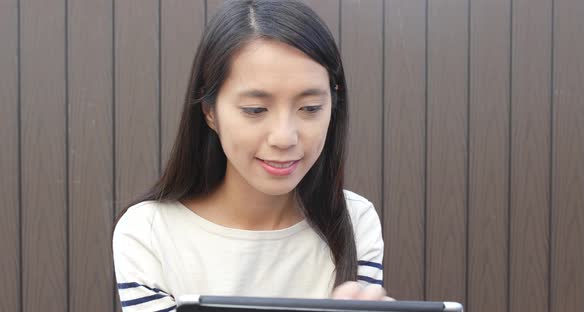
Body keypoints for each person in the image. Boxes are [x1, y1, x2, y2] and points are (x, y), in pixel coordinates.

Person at [112, 0, 392, 311]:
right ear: (209, 111)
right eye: (255, 110)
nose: (284, 137)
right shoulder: (149, 233)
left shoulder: (354, 220)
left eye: (310, 108)